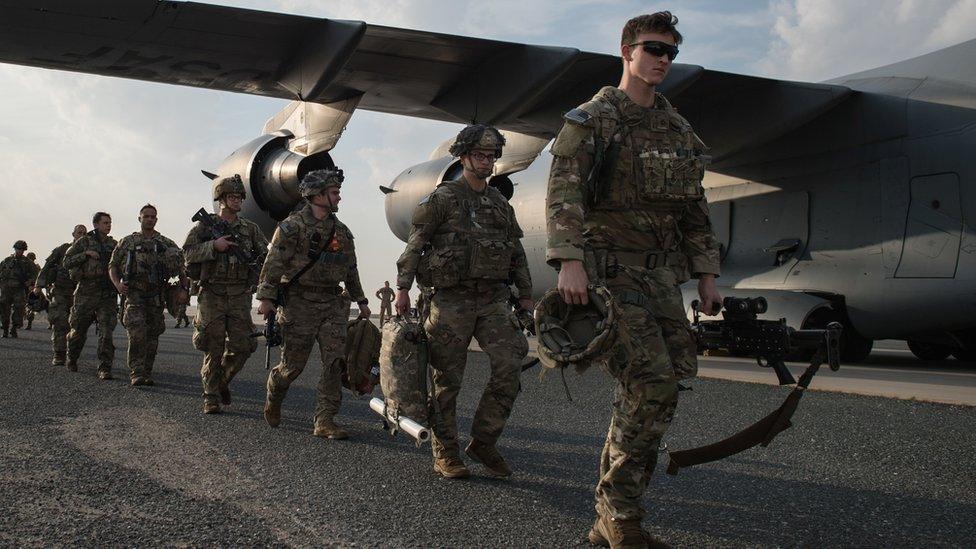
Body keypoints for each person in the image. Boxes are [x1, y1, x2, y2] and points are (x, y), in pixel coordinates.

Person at [545, 12, 723, 548]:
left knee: (655, 391)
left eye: (671, 51)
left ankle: (611, 514)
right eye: (653, 49)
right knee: (652, 385)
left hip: (662, 280)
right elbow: (564, 190)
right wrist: (568, 260)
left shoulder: (677, 130)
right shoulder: (595, 118)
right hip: (611, 276)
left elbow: (695, 208)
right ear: (627, 51)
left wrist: (707, 276)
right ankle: (621, 516)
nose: (663, 60)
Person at [395, 124, 533, 480]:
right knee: (447, 380)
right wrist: (401, 288)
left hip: (491, 300)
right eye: (480, 156)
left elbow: (516, 252)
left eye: (491, 157)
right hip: (451, 301)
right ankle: (446, 452)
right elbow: (415, 245)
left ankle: (484, 441)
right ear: (463, 157)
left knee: (511, 360)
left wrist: (527, 296)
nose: (487, 163)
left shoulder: (500, 203)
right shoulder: (442, 199)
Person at [256, 168, 370, 438]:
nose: (339, 198)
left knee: (335, 364)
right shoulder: (291, 227)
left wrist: (362, 300)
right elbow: (274, 263)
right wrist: (267, 297)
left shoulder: (341, 231)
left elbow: (350, 269)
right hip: (299, 303)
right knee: (292, 367)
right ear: (317, 195)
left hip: (332, 303)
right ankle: (275, 391)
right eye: (334, 193)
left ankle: (325, 420)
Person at [183, 175, 269, 413]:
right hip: (212, 293)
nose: (238, 200)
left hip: (240, 295)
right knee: (213, 345)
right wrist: (213, 246)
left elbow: (266, 260)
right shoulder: (204, 226)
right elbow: (187, 253)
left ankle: (221, 381)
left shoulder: (250, 229)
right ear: (221, 199)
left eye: (240, 196)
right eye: (232, 196)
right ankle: (210, 396)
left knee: (244, 345)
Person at [109, 204, 185, 386]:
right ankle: (136, 372)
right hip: (134, 295)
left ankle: (146, 372)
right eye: (146, 216)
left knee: (152, 336)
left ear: (156, 220)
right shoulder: (127, 242)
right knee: (136, 334)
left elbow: (182, 267)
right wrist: (118, 284)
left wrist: (183, 289)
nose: (150, 219)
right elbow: (112, 265)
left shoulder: (166, 243)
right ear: (139, 218)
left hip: (156, 296)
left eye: (153, 217)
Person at [64, 212, 119, 379]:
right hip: (86, 292)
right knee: (78, 331)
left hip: (107, 294)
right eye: (105, 223)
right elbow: (66, 262)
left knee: (107, 332)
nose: (108, 225)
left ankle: (104, 367)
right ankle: (72, 357)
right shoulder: (84, 242)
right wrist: (85, 254)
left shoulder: (114, 244)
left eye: (110, 223)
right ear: (96, 225)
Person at [34, 225, 86, 364]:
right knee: (59, 321)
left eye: (84, 233)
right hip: (61, 291)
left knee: (76, 325)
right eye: (79, 232)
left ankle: (72, 354)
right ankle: (59, 353)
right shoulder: (62, 250)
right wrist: (39, 285)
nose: (81, 235)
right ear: (73, 234)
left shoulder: (88, 251)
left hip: (80, 292)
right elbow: (48, 265)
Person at [0, 240, 38, 338]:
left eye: (21, 249)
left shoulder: (28, 263)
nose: (19, 251)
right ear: (15, 248)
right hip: (6, 288)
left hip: (19, 289)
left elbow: (35, 275)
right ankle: (5, 329)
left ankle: (14, 328)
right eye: (18, 249)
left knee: (19, 309)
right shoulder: (7, 260)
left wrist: (30, 282)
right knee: (4, 309)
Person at [22, 252, 41, 330]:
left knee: (31, 307)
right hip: (25, 288)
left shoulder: (36, 267)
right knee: (25, 306)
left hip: (33, 290)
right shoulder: (23, 266)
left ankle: (29, 323)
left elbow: (39, 277)